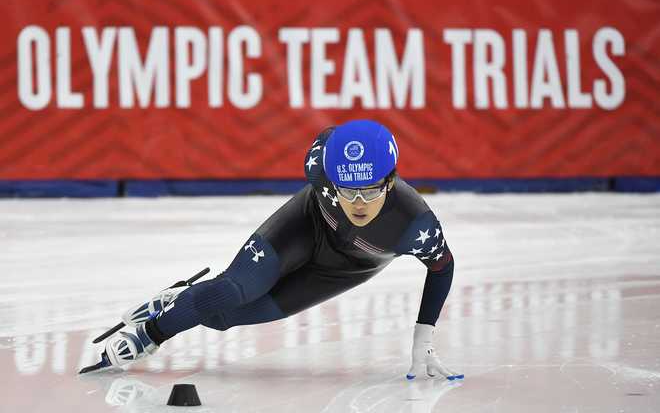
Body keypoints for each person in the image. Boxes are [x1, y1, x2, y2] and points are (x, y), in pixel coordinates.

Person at [103, 119, 462, 380]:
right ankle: (150, 334)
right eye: (346, 189)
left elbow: (442, 268)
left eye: (369, 190)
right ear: (330, 179)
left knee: (226, 317)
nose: (357, 202)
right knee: (234, 289)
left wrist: (423, 339)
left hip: (344, 269)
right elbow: (329, 140)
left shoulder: (415, 224)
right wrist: (151, 334)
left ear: (391, 181)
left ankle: (182, 298)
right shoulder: (319, 167)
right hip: (306, 225)